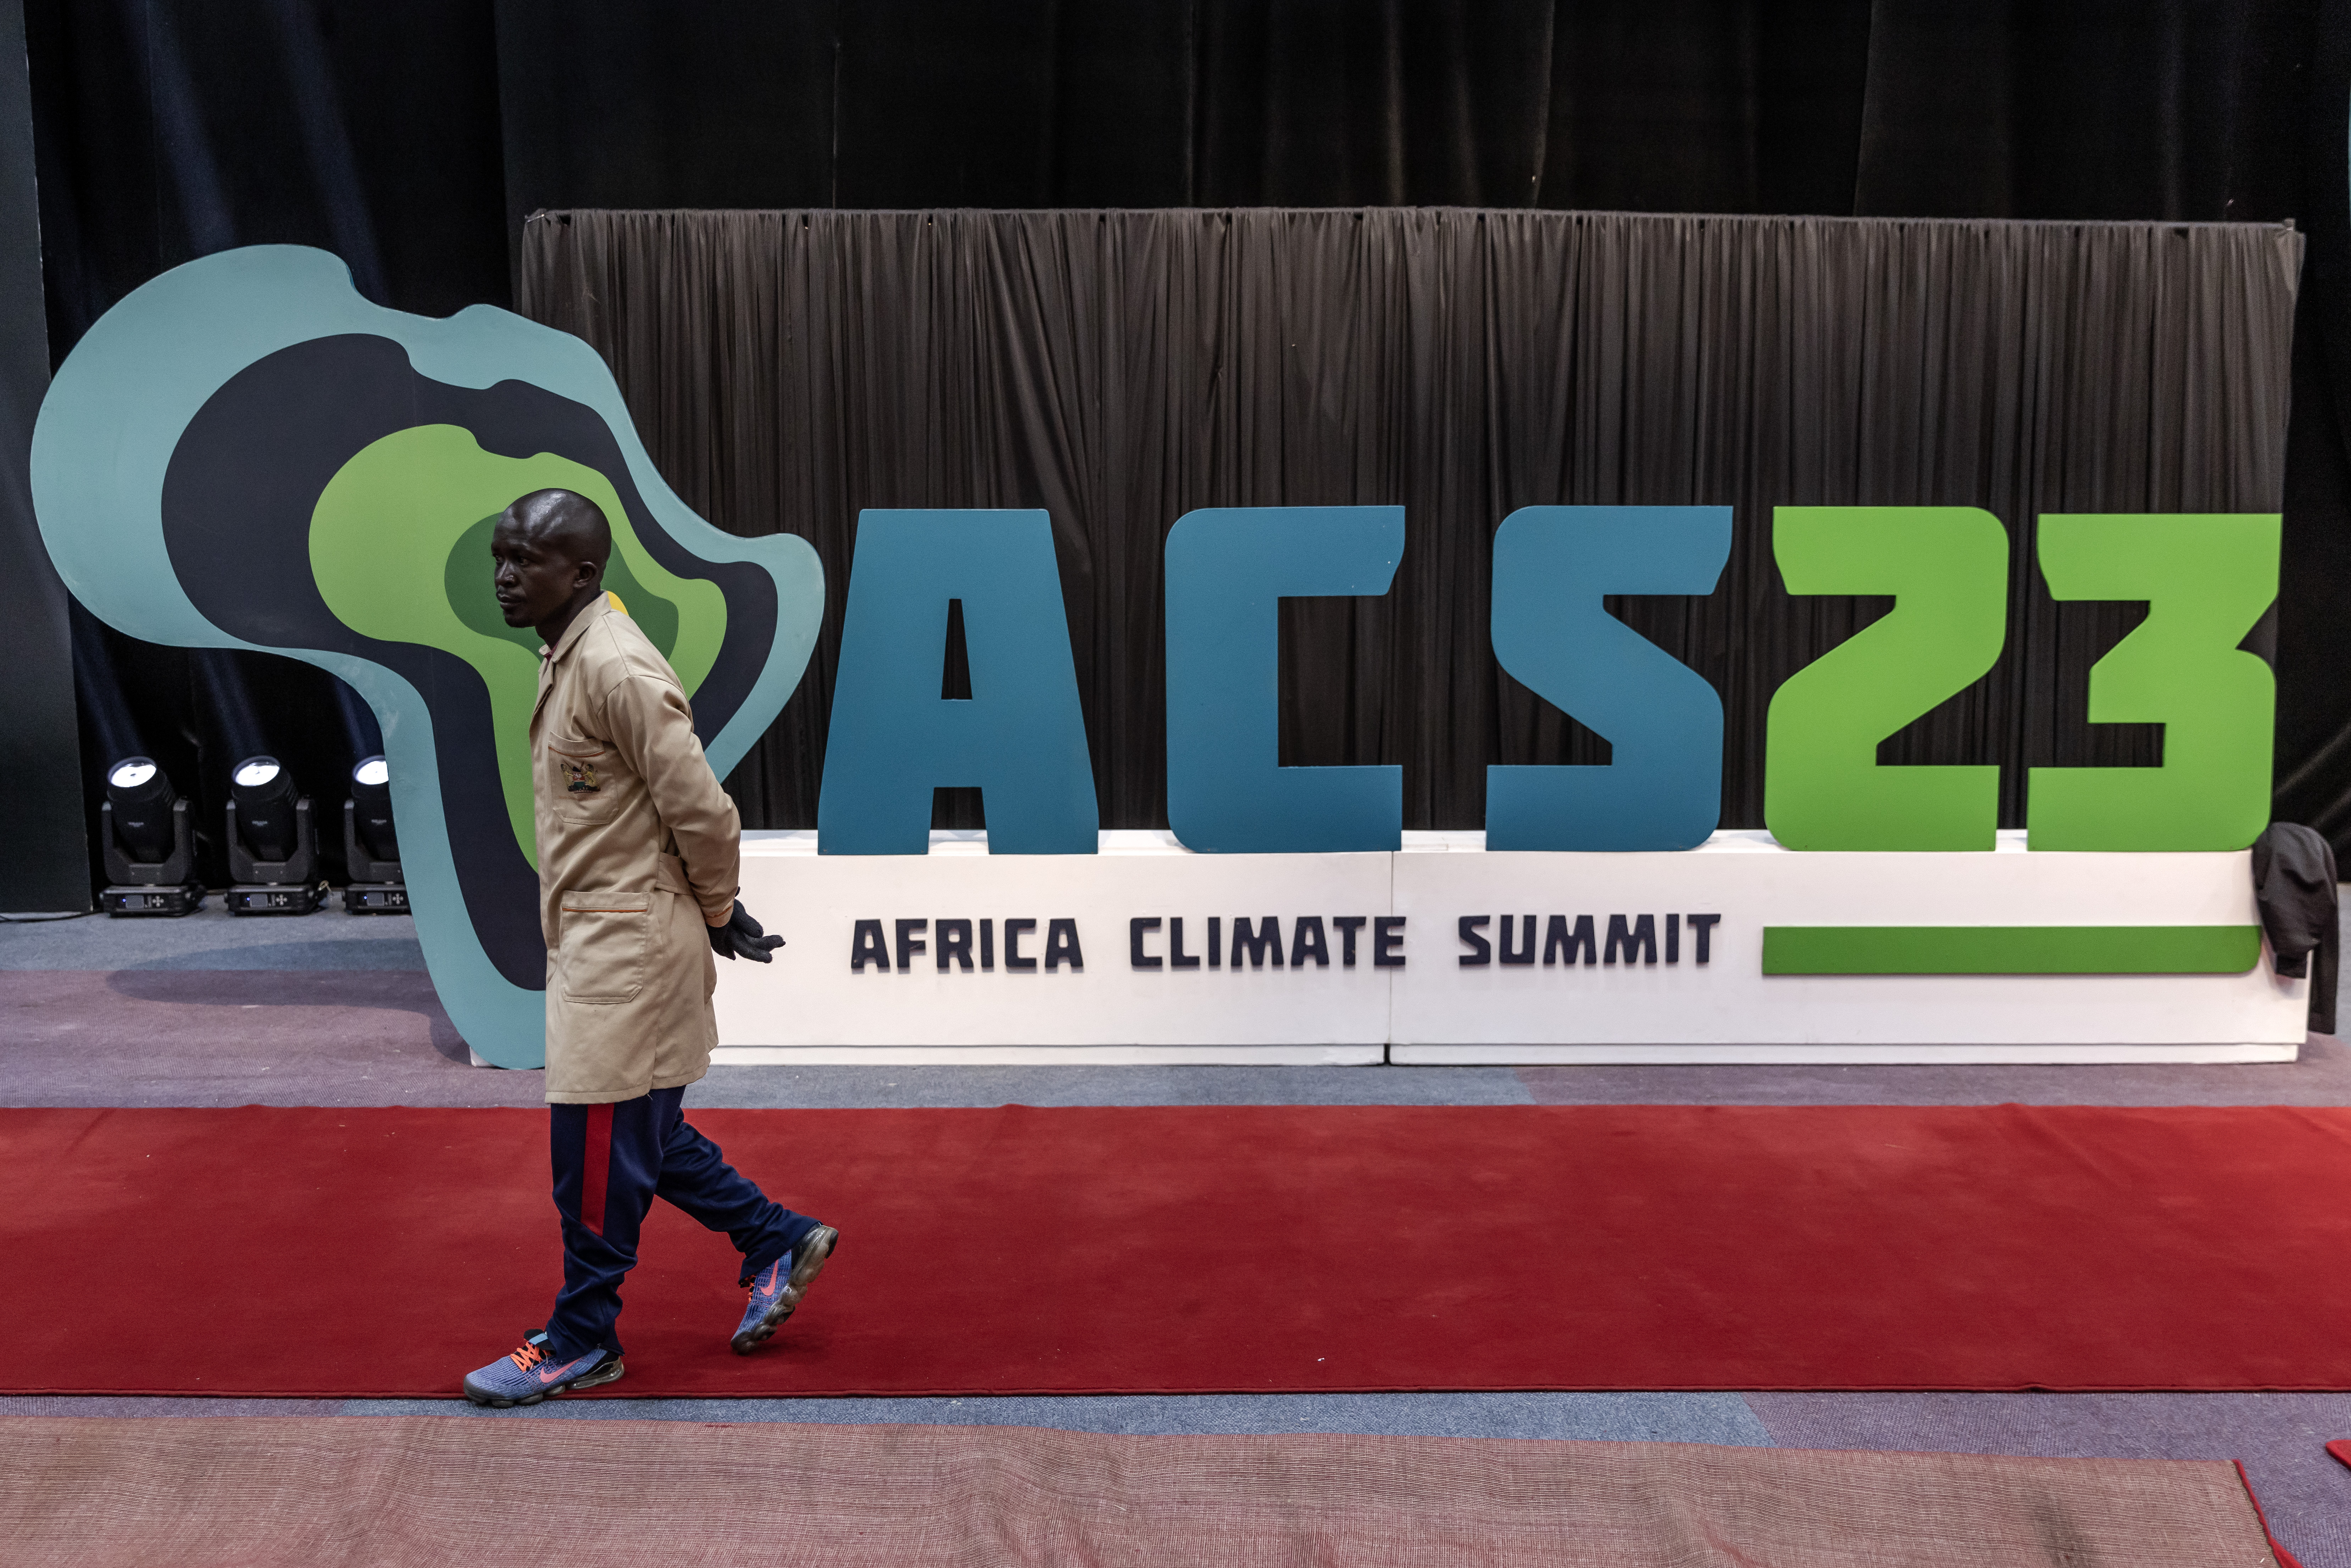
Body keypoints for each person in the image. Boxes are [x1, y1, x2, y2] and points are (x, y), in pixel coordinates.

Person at [462, 488, 836, 1407]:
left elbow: (702, 809)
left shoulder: (617, 668)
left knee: (592, 1154)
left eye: (527, 560)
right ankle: (775, 1236)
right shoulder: (569, 652)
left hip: (627, 949)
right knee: (643, 1135)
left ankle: (583, 1339)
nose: (505, 576)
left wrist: (718, 910)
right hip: (605, 936)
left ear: (583, 574)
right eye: (501, 556)